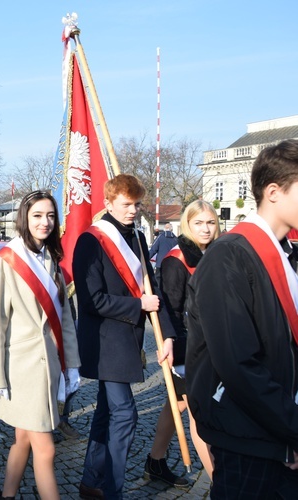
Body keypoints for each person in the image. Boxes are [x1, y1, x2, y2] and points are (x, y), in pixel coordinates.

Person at [186, 140, 298, 498]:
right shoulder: (228, 257)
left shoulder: (288, 255)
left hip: (278, 430)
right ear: (274, 192)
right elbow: (237, 363)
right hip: (248, 436)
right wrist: (292, 428)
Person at [73, 174, 176, 500]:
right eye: (125, 204)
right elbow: (91, 300)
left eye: (136, 204)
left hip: (127, 343)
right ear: (109, 203)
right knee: (125, 414)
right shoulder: (91, 240)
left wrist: (168, 335)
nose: (132, 210)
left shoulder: (138, 238)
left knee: (105, 413)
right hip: (105, 343)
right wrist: (137, 305)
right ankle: (112, 490)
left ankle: (92, 481)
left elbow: (153, 290)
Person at [0, 191, 80, 500]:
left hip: (49, 364)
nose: (45, 222)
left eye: (50, 215)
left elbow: (64, 318)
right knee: (46, 448)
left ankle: (7, 495)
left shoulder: (53, 258)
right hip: (21, 368)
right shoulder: (8, 260)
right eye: (38, 215)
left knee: (23, 438)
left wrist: (72, 364)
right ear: (25, 217)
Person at [144, 201, 220, 486]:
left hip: (213, 346)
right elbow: (170, 310)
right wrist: (172, 345)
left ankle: (155, 461)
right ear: (187, 224)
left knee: (174, 405)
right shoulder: (176, 259)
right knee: (199, 416)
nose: (205, 228)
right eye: (199, 223)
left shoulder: (216, 253)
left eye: (210, 222)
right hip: (188, 349)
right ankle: (220, 483)